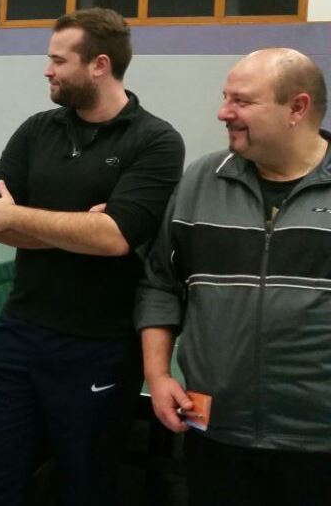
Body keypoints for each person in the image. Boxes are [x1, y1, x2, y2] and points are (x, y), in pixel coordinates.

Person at [0, 8, 184, 506]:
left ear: (99, 65)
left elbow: (115, 238)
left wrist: (20, 216)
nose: (47, 70)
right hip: (19, 333)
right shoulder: (36, 130)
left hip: (100, 346)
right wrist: (84, 229)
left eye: (58, 60)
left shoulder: (156, 140)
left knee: (85, 485)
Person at [135, 48, 331, 506]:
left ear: (297, 108)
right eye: (226, 98)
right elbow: (161, 283)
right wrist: (157, 374)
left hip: (318, 443)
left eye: (241, 101)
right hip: (214, 431)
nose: (223, 113)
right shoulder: (201, 180)